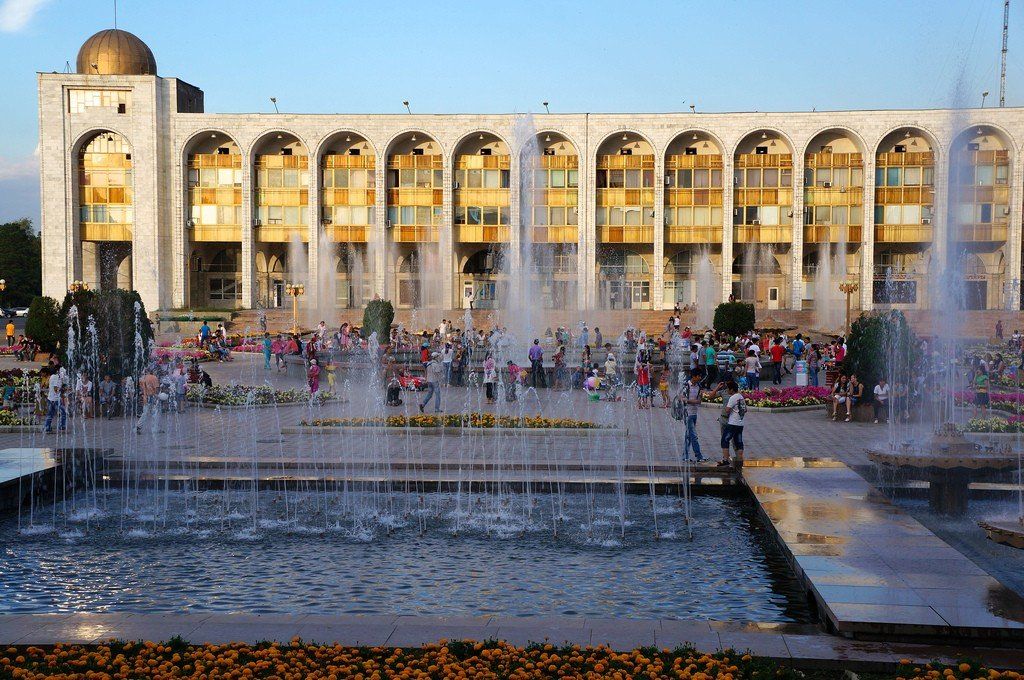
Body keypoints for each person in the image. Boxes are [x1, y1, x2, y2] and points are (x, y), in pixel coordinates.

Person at [676, 372, 707, 462]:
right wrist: (693, 401)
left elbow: (699, 401)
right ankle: (699, 456)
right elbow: (680, 398)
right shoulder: (686, 386)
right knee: (693, 435)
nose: (700, 377)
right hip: (687, 414)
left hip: (694, 414)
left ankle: (685, 456)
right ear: (694, 376)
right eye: (698, 376)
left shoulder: (699, 386)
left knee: (689, 436)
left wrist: (691, 401)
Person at [717, 380, 746, 468]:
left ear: (732, 389)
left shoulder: (733, 397)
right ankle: (740, 460)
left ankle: (725, 460)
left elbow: (727, 410)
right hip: (740, 423)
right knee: (738, 442)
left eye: (728, 389)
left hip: (733, 423)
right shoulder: (741, 397)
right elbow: (745, 410)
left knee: (725, 440)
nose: (727, 390)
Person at [135, 368, 160, 433]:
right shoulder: (154, 377)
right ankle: (156, 428)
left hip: (145, 397)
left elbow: (141, 389)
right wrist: (157, 397)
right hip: (152, 396)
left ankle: (139, 426)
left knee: (145, 412)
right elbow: (156, 389)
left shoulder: (141, 379)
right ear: (151, 371)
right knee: (156, 412)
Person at [42, 367, 66, 433]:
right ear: (58, 371)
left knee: (50, 414)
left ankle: (47, 427)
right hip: (55, 399)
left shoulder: (52, 376)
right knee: (63, 413)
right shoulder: (55, 377)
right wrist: (63, 390)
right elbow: (55, 389)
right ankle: (62, 427)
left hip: (50, 398)